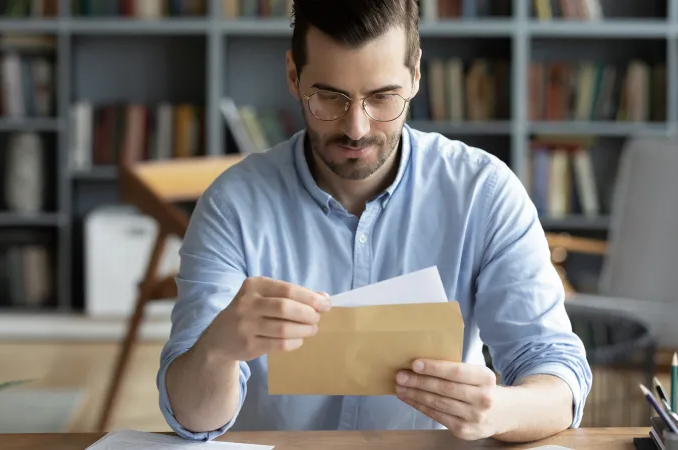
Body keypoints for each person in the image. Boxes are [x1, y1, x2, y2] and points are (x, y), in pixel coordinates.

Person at [159, 0, 592, 443]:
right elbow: (192, 419)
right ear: (293, 75)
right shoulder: (232, 205)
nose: (356, 128)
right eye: (330, 96)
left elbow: (557, 375)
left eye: (382, 97)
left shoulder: (484, 193)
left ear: (416, 75)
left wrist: (500, 410)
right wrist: (216, 351)